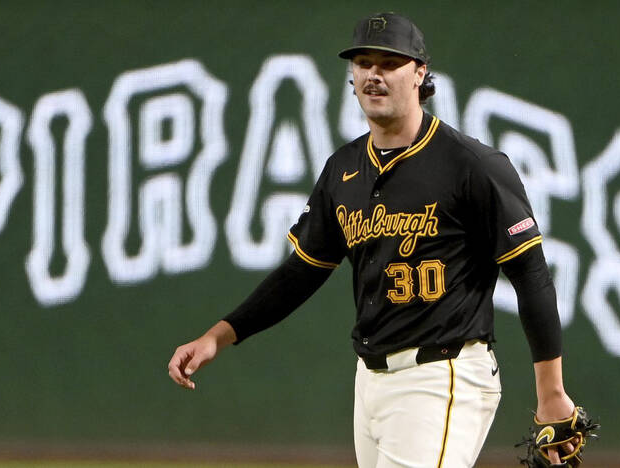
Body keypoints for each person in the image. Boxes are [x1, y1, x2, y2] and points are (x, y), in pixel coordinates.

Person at [168, 12, 577, 467]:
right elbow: (301, 272)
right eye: (363, 63)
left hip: (442, 376)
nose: (373, 75)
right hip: (371, 380)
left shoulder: (472, 165)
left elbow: (530, 273)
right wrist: (217, 338)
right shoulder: (344, 169)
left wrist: (551, 393)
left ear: (420, 72)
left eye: (389, 62)